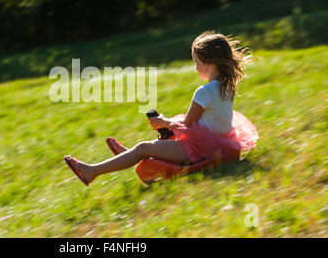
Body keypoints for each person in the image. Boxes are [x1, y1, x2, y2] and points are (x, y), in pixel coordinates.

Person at [64, 31, 259, 186]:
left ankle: (92, 171)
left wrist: (162, 121)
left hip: (202, 149)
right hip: (223, 146)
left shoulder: (204, 92)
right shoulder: (227, 87)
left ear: (209, 62)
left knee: (144, 147)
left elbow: (187, 124)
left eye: (196, 63)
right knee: (164, 139)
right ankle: (128, 154)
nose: (195, 67)